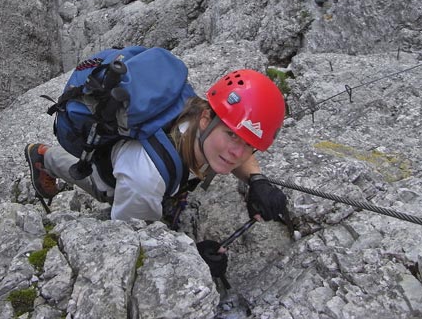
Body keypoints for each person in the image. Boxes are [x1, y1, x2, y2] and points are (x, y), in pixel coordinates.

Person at [25, 69, 289, 277]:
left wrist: (257, 180)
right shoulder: (145, 177)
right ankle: (43, 157)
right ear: (207, 119)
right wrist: (192, 260)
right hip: (120, 175)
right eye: (231, 135)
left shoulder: (199, 117)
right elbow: (131, 241)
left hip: (148, 166)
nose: (236, 154)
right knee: (98, 182)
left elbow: (236, 148)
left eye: (249, 145)